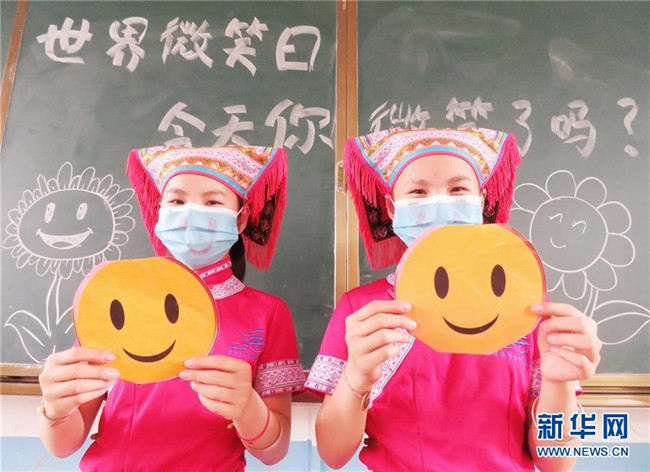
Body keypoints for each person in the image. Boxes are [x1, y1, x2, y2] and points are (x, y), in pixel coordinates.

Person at [306, 128, 602, 471]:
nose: (439, 202)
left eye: (458, 189)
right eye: (418, 191)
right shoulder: (364, 313)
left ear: (481, 200)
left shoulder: (526, 306)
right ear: (391, 206)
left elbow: (557, 464)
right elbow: (333, 454)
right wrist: (356, 379)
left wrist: (557, 383)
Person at [38, 144, 305, 471]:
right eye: (177, 201)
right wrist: (55, 408)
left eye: (212, 202)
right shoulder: (115, 296)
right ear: (160, 213)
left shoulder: (267, 313)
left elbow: (273, 452)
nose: (191, 213)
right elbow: (63, 445)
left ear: (241, 219)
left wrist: (248, 408)